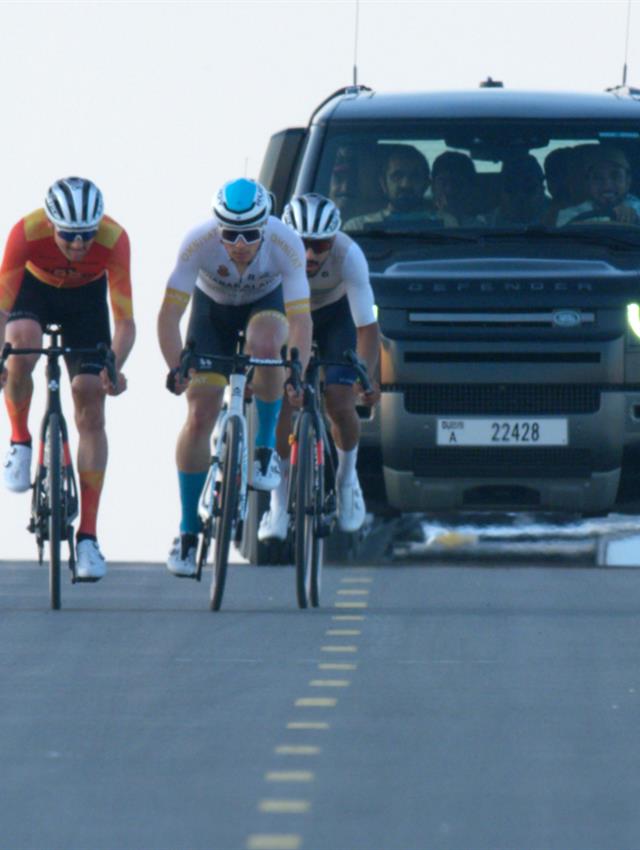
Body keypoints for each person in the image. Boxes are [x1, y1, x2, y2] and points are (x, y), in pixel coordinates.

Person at [158, 178, 312, 577]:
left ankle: (262, 451)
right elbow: (170, 314)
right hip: (213, 313)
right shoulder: (198, 242)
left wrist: (297, 368)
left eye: (249, 234)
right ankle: (188, 531)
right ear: (217, 228)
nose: (240, 243)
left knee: (266, 347)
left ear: (266, 226)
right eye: (230, 233)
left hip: (266, 305)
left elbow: (300, 319)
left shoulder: (286, 243)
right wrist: (177, 366)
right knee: (199, 413)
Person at [0, 177, 135, 580]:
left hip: (86, 304)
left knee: (90, 399)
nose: (79, 245)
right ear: (51, 223)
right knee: (21, 343)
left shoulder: (114, 239)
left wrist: (114, 364)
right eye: (70, 236)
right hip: (33, 290)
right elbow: (2, 309)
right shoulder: (26, 233)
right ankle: (21, 440)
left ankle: (88, 538)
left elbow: (126, 321)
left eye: (86, 236)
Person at [259, 193, 381, 542]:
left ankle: (346, 481)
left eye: (320, 245)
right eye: (302, 244)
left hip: (334, 317)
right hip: (286, 314)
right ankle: (277, 504)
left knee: (340, 402)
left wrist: (365, 375)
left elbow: (367, 327)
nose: (310, 255)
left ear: (334, 240)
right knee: (279, 399)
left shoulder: (349, 254)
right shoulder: (269, 250)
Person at [344, 144, 455, 231]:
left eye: (415, 176)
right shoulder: (357, 227)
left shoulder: (447, 224)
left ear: (426, 183)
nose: (406, 184)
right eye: (397, 176)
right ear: (383, 183)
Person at [557, 146, 640, 226]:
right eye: (597, 177)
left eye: (615, 176)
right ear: (587, 183)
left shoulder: (637, 209)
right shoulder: (570, 215)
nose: (607, 186)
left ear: (628, 181)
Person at [486, 154, 548, 226]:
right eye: (512, 189)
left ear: (542, 190)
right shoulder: (481, 226)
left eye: (529, 189)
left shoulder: (561, 221)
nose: (520, 196)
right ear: (500, 191)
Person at [430, 150, 478, 225]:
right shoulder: (420, 223)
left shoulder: (489, 227)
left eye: (457, 183)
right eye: (443, 182)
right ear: (432, 186)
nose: (449, 190)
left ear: (471, 187)